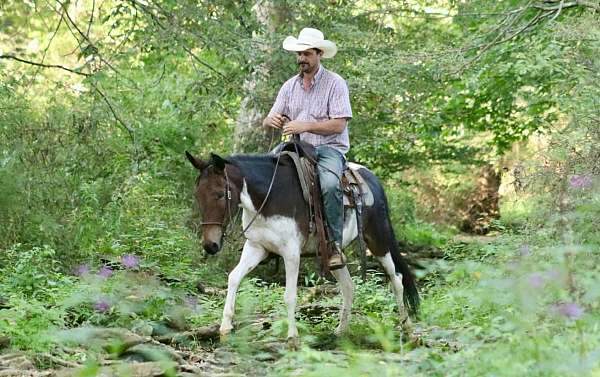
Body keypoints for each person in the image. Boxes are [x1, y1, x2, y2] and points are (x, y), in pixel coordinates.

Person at [262, 27, 353, 270]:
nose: (302, 58)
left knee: (331, 184)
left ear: (319, 54)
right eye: (299, 54)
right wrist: (270, 120)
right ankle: (267, 237)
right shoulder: (289, 86)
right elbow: (272, 116)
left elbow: (339, 124)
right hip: (295, 147)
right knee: (263, 174)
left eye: (307, 53)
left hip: (329, 149)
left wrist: (307, 125)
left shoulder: (335, 83)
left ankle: (334, 246)